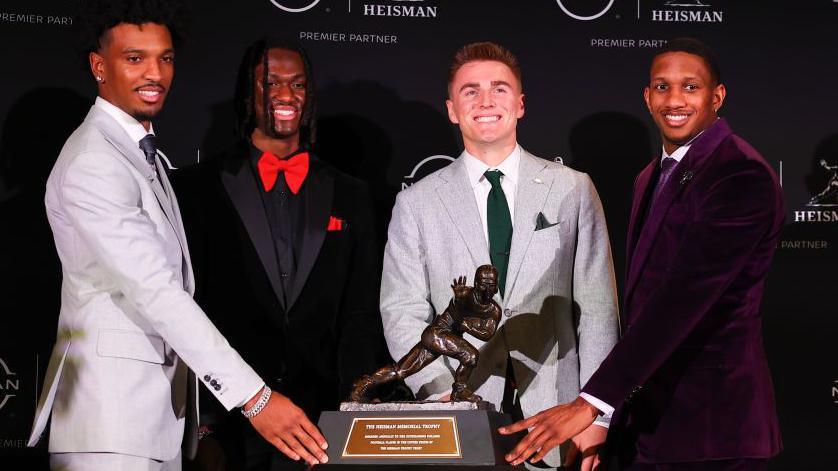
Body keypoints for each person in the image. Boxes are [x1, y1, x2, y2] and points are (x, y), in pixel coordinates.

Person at [27, 3, 328, 470]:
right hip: (110, 421)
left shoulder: (138, 150)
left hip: (148, 420)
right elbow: (158, 291)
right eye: (135, 59)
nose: (155, 74)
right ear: (99, 66)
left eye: (164, 59)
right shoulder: (94, 161)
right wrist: (257, 399)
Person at [501, 38, 784, 470]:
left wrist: (591, 404)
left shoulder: (739, 174)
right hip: (649, 426)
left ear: (717, 96)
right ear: (647, 96)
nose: (674, 100)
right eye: (662, 87)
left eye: (690, 87)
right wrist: (610, 414)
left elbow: (682, 300)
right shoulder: (650, 176)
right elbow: (638, 305)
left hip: (714, 430)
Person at [380, 41, 619, 469]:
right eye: (470, 91)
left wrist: (595, 416)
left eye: (500, 89)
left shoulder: (573, 188)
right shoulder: (416, 203)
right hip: (458, 411)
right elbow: (402, 311)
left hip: (559, 415)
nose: (486, 101)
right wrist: (441, 401)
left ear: (521, 104)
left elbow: (599, 309)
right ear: (452, 109)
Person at [173, 37, 386, 470]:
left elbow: (360, 315)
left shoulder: (353, 195)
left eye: (298, 84)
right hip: (229, 427)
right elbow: (181, 311)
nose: (286, 95)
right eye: (270, 83)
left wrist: (351, 418)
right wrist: (206, 426)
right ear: (247, 93)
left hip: (321, 431)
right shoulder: (194, 190)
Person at [351, 265, 501, 403]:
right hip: (437, 333)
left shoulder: (494, 310)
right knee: (470, 355)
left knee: (402, 370)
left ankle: (365, 383)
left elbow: (487, 334)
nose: (486, 290)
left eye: (491, 285)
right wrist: (458, 300)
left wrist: (465, 325)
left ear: (496, 287)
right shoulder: (464, 294)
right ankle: (459, 390)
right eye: (483, 284)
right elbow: (456, 305)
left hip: (442, 338)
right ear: (475, 283)